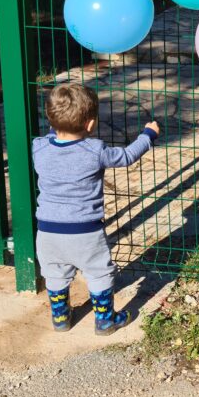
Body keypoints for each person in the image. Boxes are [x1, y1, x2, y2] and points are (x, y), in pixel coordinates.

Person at [32, 84, 159, 334]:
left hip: (47, 230)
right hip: (85, 232)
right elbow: (126, 156)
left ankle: (61, 318)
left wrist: (59, 121)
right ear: (90, 124)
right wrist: (148, 135)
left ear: (50, 119)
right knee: (99, 272)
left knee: (55, 273)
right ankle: (104, 320)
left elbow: (52, 135)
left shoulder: (39, 147)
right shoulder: (95, 150)